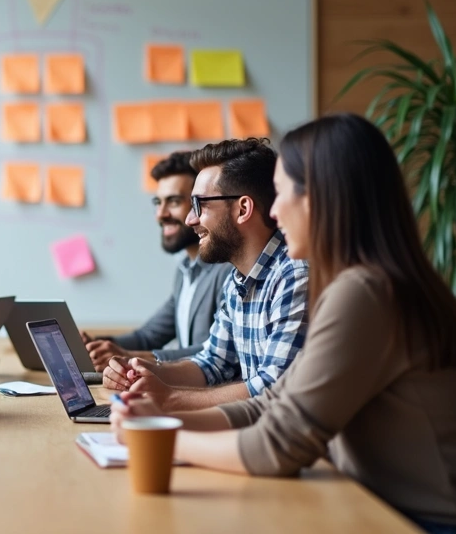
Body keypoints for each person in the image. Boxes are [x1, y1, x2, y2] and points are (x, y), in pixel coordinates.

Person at [111, 114, 456, 533]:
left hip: (434, 524)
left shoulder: (366, 292)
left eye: (282, 193)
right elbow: (271, 404)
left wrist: (159, 435)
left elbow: (278, 446)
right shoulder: (359, 283)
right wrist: (162, 417)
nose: (274, 211)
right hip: (384, 508)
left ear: (321, 199)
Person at [104, 138, 309, 411]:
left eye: (199, 205)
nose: (190, 219)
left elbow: (274, 388)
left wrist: (168, 398)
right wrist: (142, 370)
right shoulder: (236, 281)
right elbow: (213, 363)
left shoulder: (294, 277)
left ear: (243, 209)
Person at [79, 151, 230, 370]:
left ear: (200, 205)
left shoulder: (227, 271)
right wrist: (94, 345)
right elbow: (148, 336)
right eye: (158, 202)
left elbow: (217, 353)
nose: (161, 214)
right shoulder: (185, 272)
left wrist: (131, 357)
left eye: (174, 201)